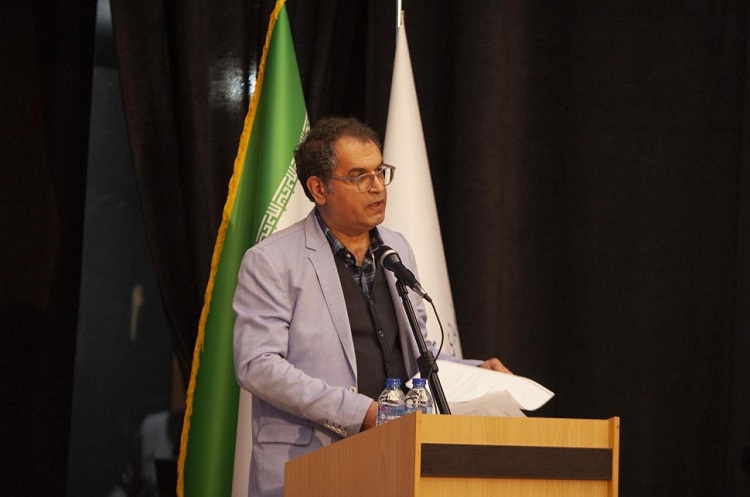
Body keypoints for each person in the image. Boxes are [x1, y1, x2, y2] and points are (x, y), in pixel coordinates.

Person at [232, 116, 509, 497]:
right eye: (359, 176)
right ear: (319, 189)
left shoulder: (397, 249)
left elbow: (416, 353)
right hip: (309, 464)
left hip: (395, 463)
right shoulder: (271, 261)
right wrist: (359, 412)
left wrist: (479, 372)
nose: (377, 186)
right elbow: (258, 366)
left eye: (380, 172)